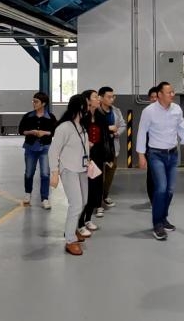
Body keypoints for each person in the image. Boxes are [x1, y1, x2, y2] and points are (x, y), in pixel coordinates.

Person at [136, 82, 184, 241]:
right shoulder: (149, 111)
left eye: (173, 92)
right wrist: (141, 155)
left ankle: (163, 217)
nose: (172, 95)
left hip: (173, 154)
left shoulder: (177, 109)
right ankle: (157, 224)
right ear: (159, 95)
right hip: (156, 155)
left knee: (170, 189)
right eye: (169, 92)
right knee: (161, 188)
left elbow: (181, 127)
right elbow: (141, 133)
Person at [49, 95, 90, 256]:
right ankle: (70, 240)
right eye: (86, 105)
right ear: (80, 107)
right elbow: (53, 151)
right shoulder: (64, 127)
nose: (88, 108)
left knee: (84, 201)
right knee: (76, 204)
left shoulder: (81, 125)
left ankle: (71, 229)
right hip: (68, 169)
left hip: (82, 168)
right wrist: (54, 172)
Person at [78, 90, 114, 233]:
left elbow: (106, 138)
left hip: (97, 157)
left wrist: (108, 156)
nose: (98, 99)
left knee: (96, 189)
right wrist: (85, 144)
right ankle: (79, 223)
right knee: (84, 190)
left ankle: (88, 219)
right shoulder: (81, 117)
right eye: (95, 97)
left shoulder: (101, 116)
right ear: (87, 100)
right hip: (84, 158)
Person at [18, 92, 57, 209]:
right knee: (29, 172)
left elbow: (54, 132)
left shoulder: (51, 117)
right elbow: (21, 130)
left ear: (43, 104)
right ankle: (28, 193)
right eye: (33, 101)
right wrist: (31, 132)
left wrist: (44, 133)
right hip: (30, 148)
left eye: (36, 102)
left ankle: (45, 198)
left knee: (45, 173)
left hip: (45, 148)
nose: (34, 103)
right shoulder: (28, 116)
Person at [98, 86, 126, 216]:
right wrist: (108, 128)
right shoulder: (95, 111)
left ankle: (104, 196)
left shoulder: (116, 111)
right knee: (98, 174)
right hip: (99, 147)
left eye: (113, 97)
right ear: (101, 97)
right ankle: (96, 201)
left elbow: (123, 125)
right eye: (109, 97)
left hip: (112, 146)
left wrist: (117, 133)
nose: (111, 99)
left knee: (110, 172)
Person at [145, 86, 159, 204]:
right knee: (151, 174)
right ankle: (152, 199)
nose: (154, 99)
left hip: (164, 149)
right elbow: (143, 134)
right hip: (151, 148)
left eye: (156, 97)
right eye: (152, 97)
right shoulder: (147, 112)